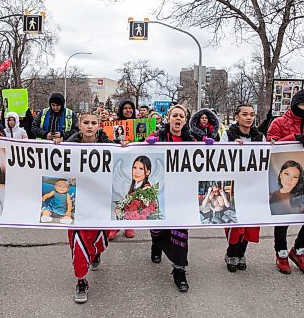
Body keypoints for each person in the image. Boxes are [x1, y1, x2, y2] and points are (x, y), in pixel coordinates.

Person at [145, 104, 212, 292]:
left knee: (180, 230)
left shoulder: (193, 139)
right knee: (158, 228)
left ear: (185, 120)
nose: (177, 119)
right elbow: (140, 155)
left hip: (182, 192)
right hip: (160, 191)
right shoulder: (158, 136)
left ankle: (179, 269)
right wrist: (146, 143)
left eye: (181, 116)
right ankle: (156, 244)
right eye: (174, 115)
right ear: (168, 118)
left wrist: (208, 145)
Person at [55, 111, 117, 303]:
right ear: (79, 125)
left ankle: (96, 252)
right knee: (78, 241)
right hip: (77, 203)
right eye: (86, 122)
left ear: (99, 125)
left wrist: (125, 148)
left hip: (101, 200)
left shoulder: (110, 147)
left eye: (94, 122)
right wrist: (54, 148)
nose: (90, 126)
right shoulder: (68, 146)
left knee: (99, 237)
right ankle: (81, 280)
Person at [267, 89, 304, 275]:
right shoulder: (279, 123)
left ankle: (298, 251)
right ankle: (281, 253)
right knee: (283, 218)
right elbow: (269, 147)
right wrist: (292, 139)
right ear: (294, 105)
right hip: (281, 179)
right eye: (302, 105)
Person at [220, 104, 265, 272]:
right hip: (232, 186)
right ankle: (231, 253)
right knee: (233, 222)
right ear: (237, 117)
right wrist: (230, 148)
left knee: (249, 223)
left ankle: (241, 253)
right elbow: (218, 158)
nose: (249, 118)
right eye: (245, 114)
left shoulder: (260, 137)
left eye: (252, 115)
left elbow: (265, 160)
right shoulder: (228, 135)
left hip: (252, 187)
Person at [109, 98, 138, 239]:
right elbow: (108, 140)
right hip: (118, 164)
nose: (128, 110)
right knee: (118, 193)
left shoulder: (140, 125)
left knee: (132, 192)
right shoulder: (113, 125)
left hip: (135, 164)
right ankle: (115, 225)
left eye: (130, 108)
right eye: (125, 108)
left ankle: (129, 224)